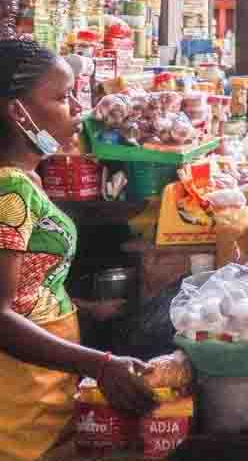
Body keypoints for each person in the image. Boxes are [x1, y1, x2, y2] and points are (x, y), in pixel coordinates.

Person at [0, 40, 155, 458]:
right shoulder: (8, 188)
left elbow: (27, 288)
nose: (76, 108)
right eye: (61, 96)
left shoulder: (27, 179)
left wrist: (83, 308)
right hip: (19, 411)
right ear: (18, 112)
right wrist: (99, 364)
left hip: (44, 394)